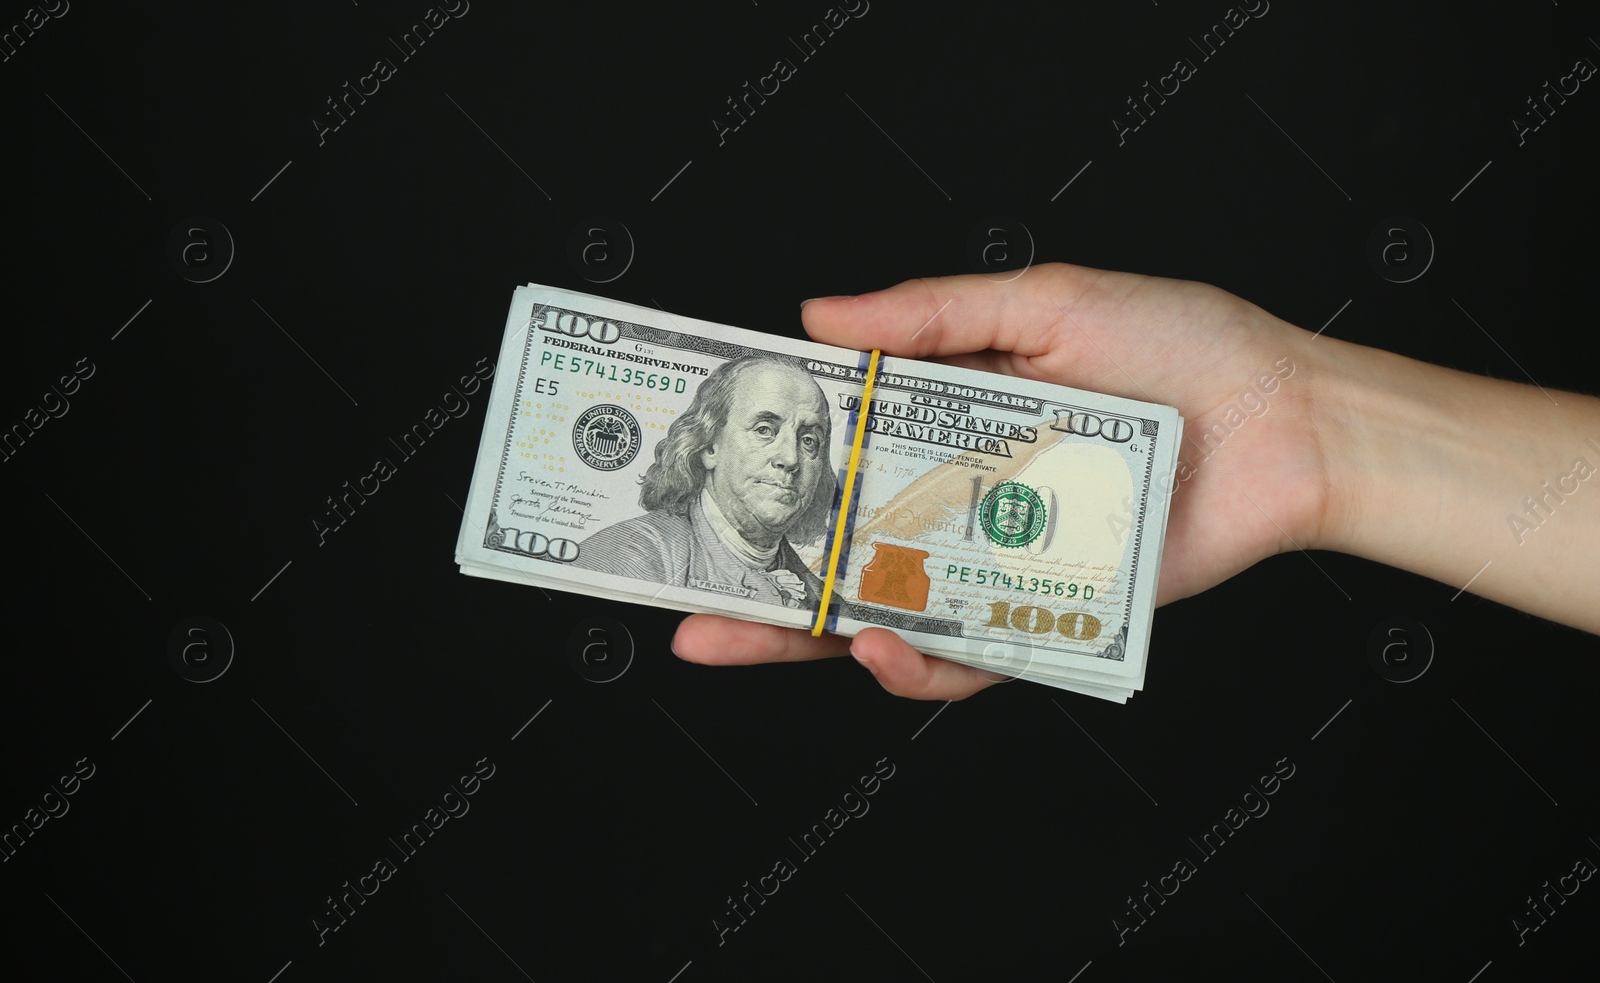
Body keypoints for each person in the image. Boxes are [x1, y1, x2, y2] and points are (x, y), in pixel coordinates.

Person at [671, 262, 1600, 699]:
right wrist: (1312, 429)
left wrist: (1313, 431)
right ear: (706, 447)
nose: (798, 455)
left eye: (812, 432)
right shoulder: (652, 549)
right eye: (765, 427)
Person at [578, 355, 836, 610]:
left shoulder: (828, 606)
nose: (791, 458)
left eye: (808, 441)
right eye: (764, 430)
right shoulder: (627, 557)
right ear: (710, 446)